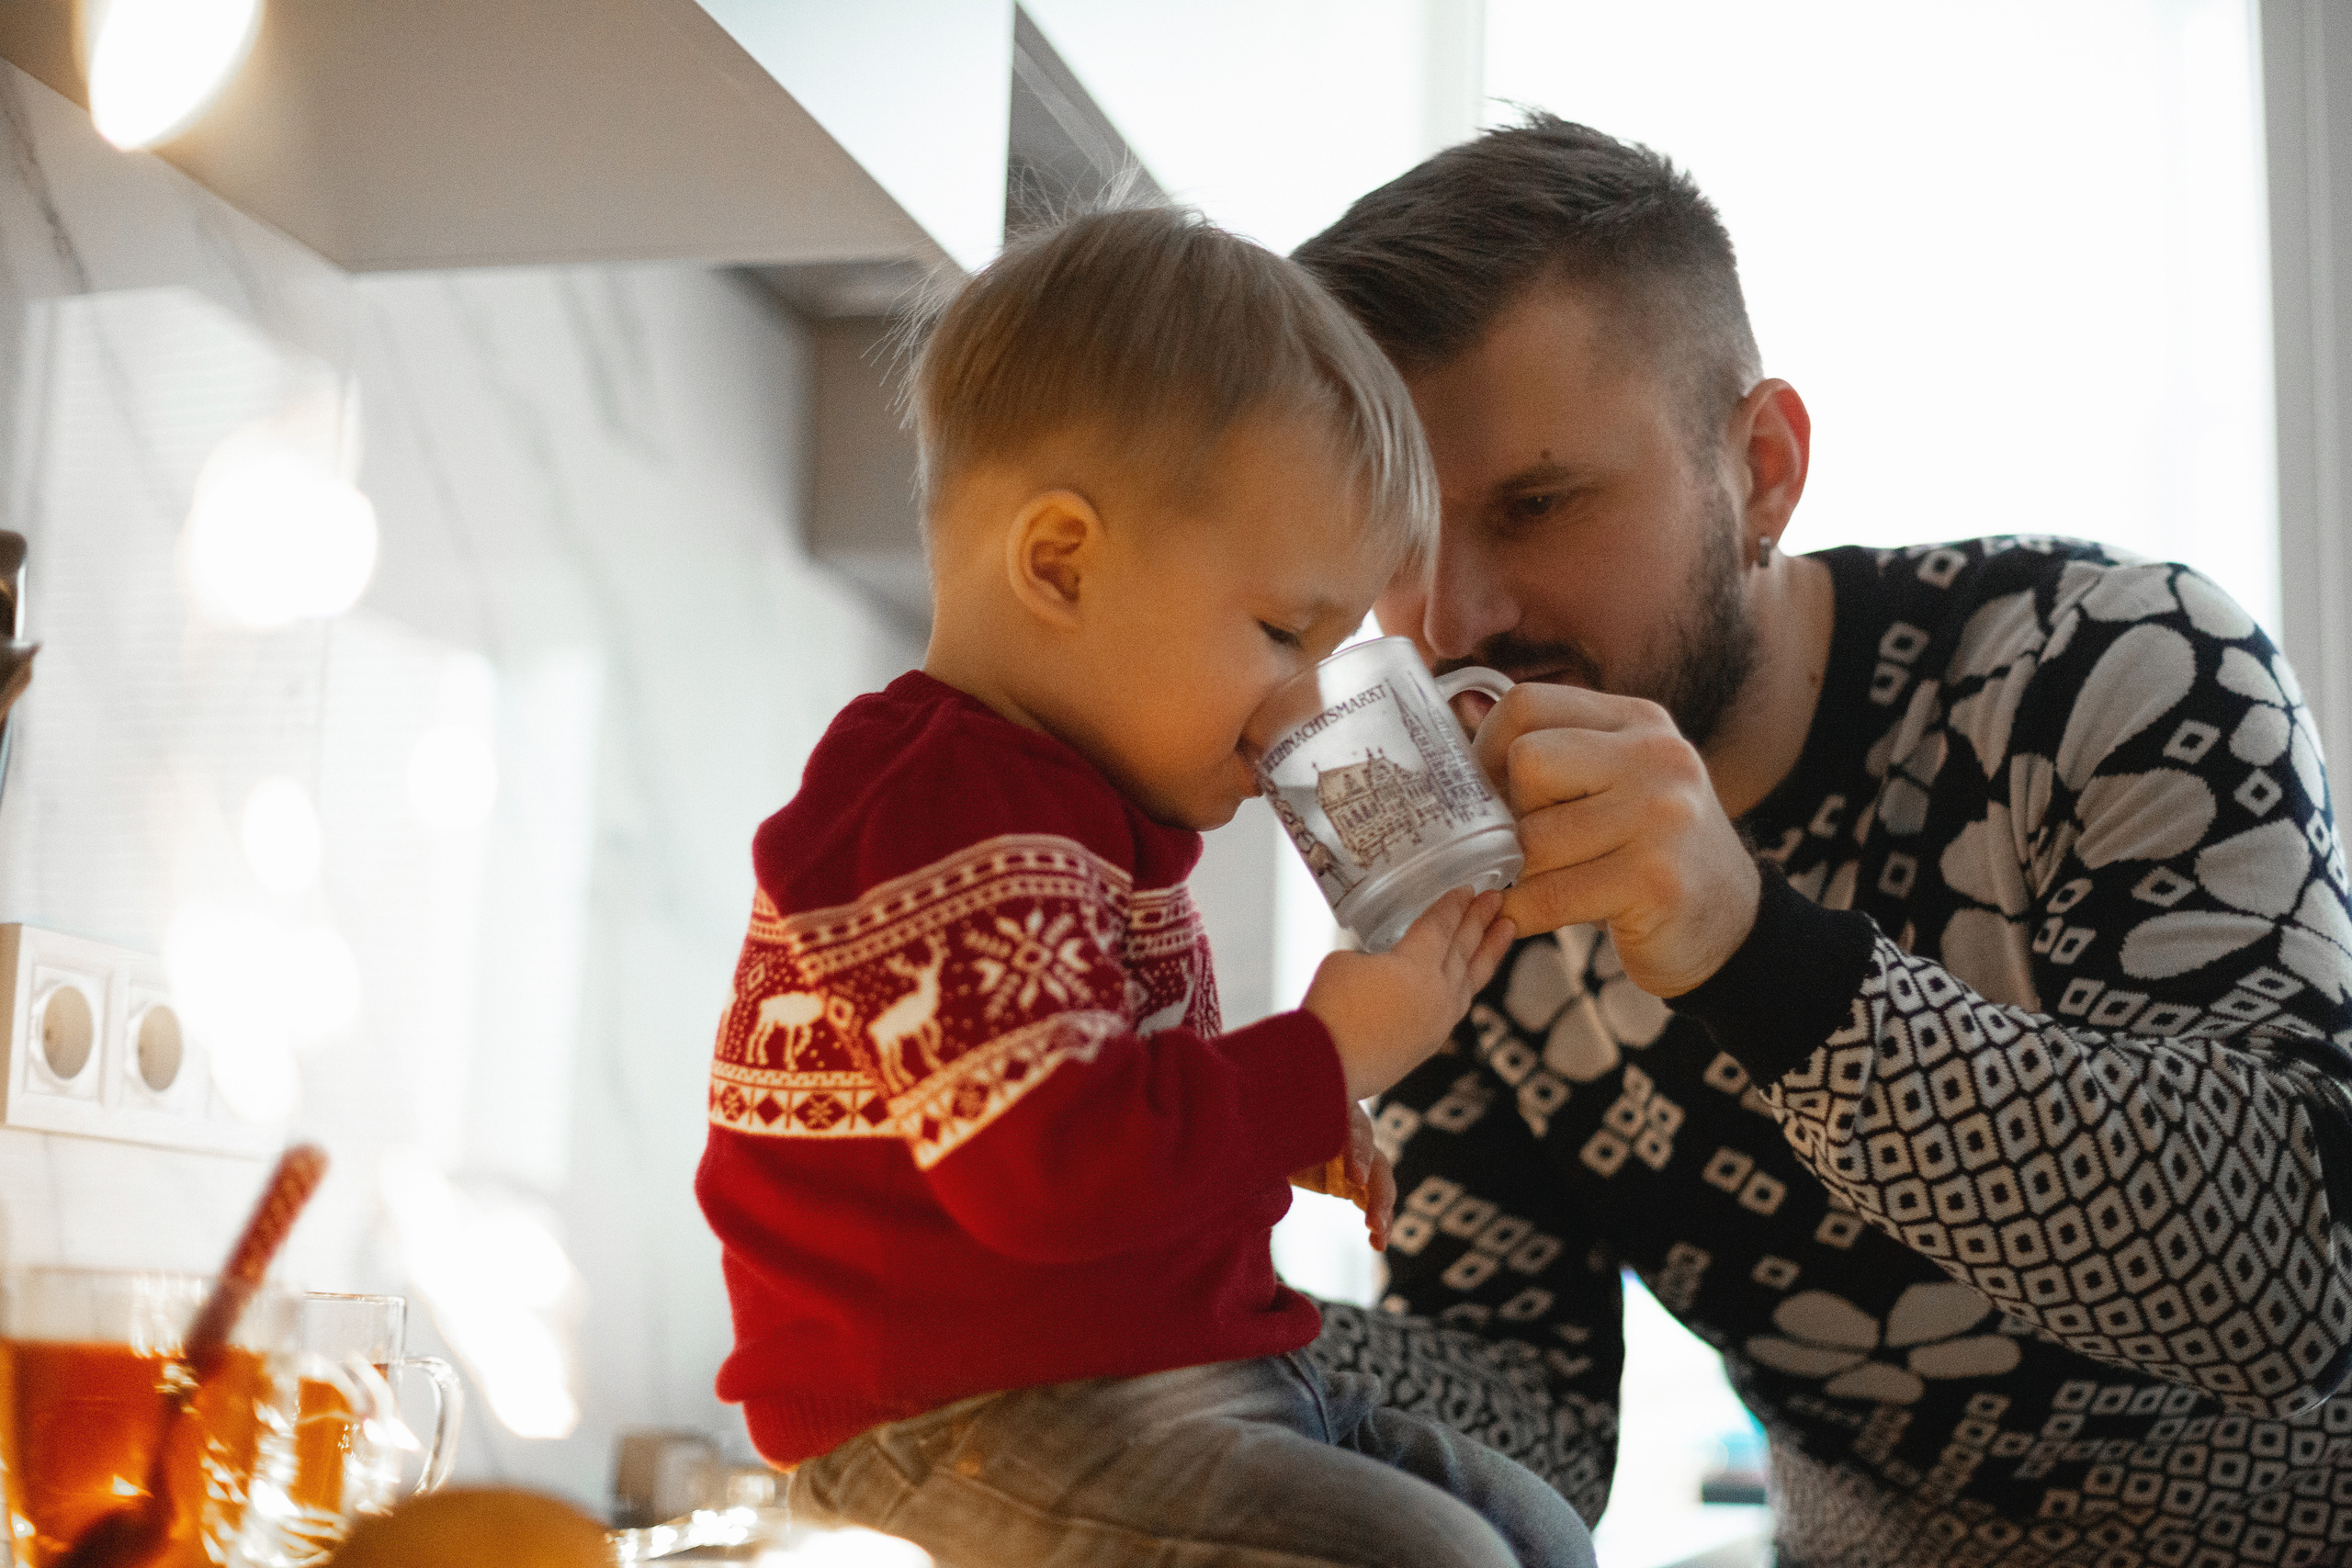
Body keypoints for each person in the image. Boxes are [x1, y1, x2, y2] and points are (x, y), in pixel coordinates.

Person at [1290, 115, 2352, 1568]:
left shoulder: (2117, 667)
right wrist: (1177, 1311)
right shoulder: (1467, 852)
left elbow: (2287, 1291)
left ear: (1764, 468)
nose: (1449, 620)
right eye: (1395, 539)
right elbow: (1531, 1419)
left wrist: (1753, 954)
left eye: (1537, 504)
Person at [695, 205, 1594, 1568]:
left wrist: (1280, 1119)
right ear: (1061, 563)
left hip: (1159, 1390)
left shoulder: (1073, 818)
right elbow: (1055, 1172)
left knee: (1532, 1530)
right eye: (1283, 632)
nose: (1310, 705)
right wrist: (1325, 1054)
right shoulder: (943, 807)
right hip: (959, 1423)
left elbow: (1097, 1112)